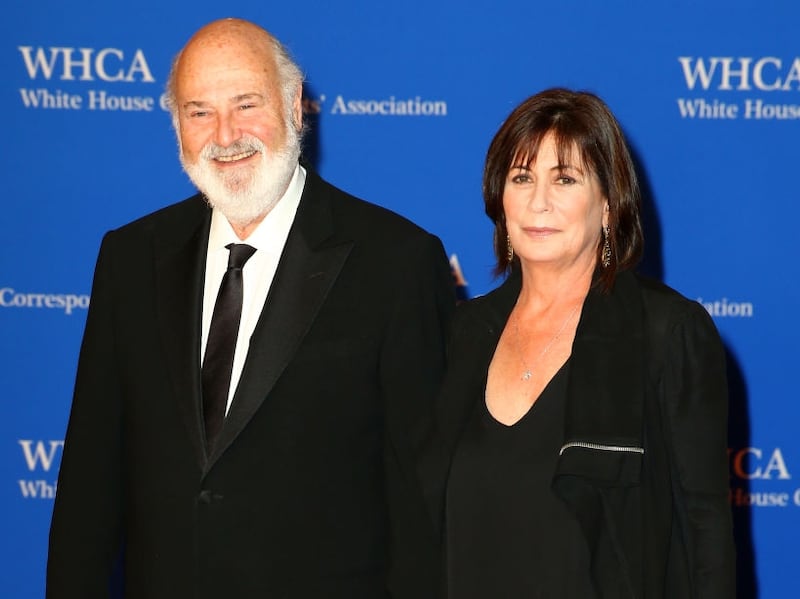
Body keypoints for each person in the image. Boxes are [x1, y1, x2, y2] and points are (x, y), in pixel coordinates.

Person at [47, 18, 454, 599]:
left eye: (245, 103)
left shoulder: (396, 262)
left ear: (294, 107)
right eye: (199, 112)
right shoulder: (131, 258)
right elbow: (89, 484)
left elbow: (423, 501)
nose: (225, 134)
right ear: (176, 127)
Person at [419, 88, 735, 598]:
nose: (538, 201)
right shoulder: (463, 334)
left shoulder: (667, 332)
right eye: (522, 178)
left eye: (564, 179)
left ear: (609, 205)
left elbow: (705, 530)